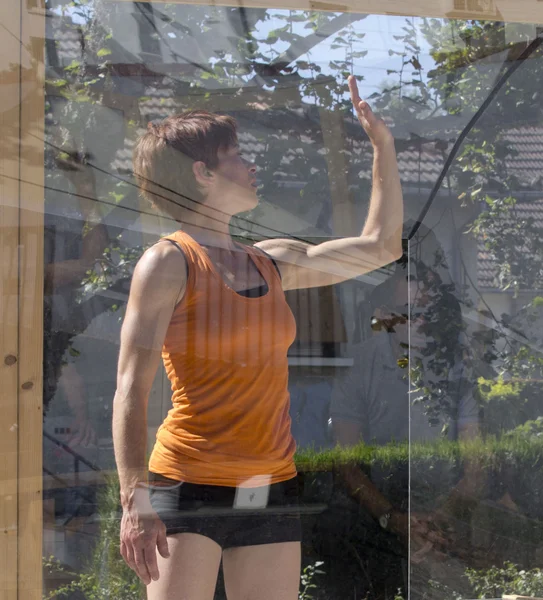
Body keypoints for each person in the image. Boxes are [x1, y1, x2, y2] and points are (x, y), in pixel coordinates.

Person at [112, 75, 404, 600]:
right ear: (202, 173)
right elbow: (131, 389)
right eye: (237, 156)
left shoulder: (269, 261)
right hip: (189, 482)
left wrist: (382, 145)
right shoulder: (168, 262)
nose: (252, 166)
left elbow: (380, 246)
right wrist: (134, 500)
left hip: (270, 483)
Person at [328, 239, 482, 599]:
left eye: (428, 312)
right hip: (375, 513)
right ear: (384, 318)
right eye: (410, 313)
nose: (422, 322)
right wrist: (394, 520)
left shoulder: (455, 366)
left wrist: (438, 520)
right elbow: (346, 466)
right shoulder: (360, 367)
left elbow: (476, 466)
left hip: (444, 509)